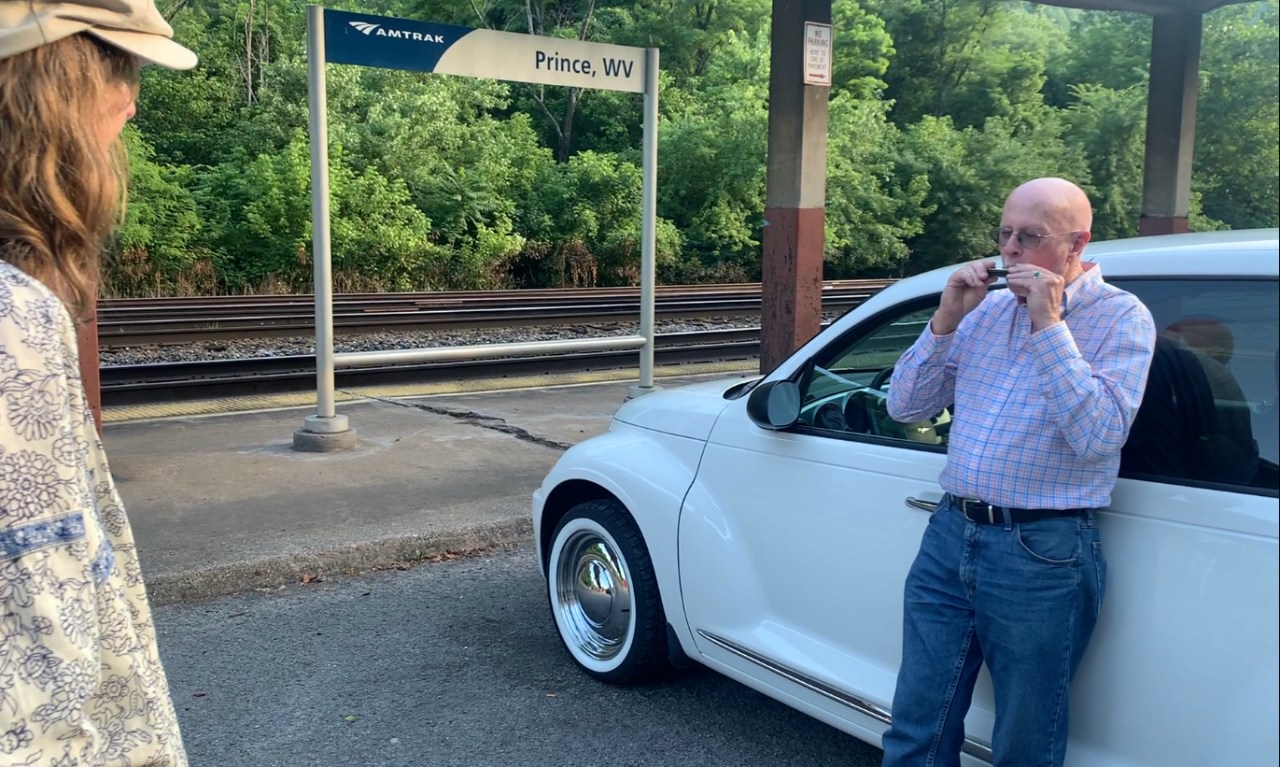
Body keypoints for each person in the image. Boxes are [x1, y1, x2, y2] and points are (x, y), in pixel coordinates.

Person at [881, 177, 1156, 767]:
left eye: (1029, 237)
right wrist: (946, 318)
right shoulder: (984, 312)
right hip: (951, 532)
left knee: (1026, 739)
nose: (1009, 250)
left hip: (1043, 548)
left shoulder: (1121, 318)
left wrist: (1049, 326)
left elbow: (1099, 437)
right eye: (1004, 233)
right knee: (916, 722)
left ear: (1076, 243)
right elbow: (904, 407)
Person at [1, 2, 196, 764]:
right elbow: (34, 703)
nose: (131, 99)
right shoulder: (14, 318)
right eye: (118, 65)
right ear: (46, 83)